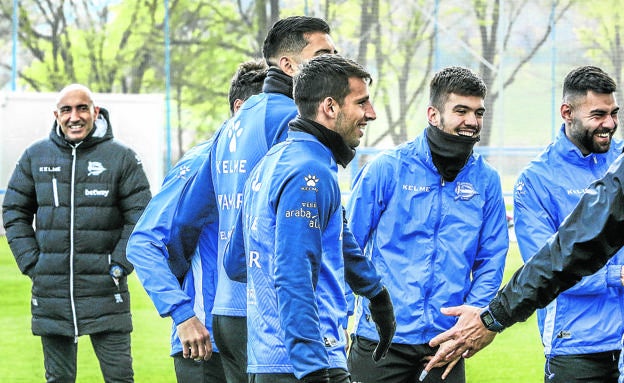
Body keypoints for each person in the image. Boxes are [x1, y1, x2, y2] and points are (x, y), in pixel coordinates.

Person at [170, 15, 339, 383]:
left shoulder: (232, 125)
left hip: (226, 312)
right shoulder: (293, 119)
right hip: (268, 311)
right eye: (323, 54)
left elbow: (186, 218)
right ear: (288, 64)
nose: (334, 63)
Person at [223, 53, 395, 383]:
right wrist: (312, 366)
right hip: (309, 365)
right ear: (330, 108)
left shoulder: (273, 162)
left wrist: (376, 295)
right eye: (362, 103)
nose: (370, 114)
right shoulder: (309, 171)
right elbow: (293, 273)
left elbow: (236, 262)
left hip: (269, 363)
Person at [344, 66, 509, 383]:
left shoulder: (486, 181)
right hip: (380, 340)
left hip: (444, 346)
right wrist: (338, 322)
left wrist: (473, 314)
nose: (472, 122)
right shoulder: (387, 169)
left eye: (478, 112)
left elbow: (492, 257)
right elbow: (345, 247)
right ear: (433, 114)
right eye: (461, 110)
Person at [423, 150, 624, 381]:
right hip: (574, 344)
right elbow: (567, 252)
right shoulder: (536, 178)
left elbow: (572, 250)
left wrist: (494, 316)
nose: (609, 123)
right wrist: (494, 315)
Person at [126, 60, 267, 383]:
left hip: (262, 346)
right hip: (207, 346)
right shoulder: (202, 161)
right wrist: (183, 315)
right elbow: (143, 243)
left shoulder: (272, 165)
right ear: (240, 108)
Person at [2, 84, 151, 383]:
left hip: (107, 291)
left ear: (95, 112)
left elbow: (141, 216)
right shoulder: (35, 156)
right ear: (56, 115)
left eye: (82, 108)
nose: (75, 117)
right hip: (52, 293)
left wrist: (120, 263)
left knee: (120, 379)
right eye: (67, 110)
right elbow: (14, 211)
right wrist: (33, 263)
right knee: (58, 380)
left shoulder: (121, 158)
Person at [512, 65, 624, 382]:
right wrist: (617, 275)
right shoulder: (537, 180)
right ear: (567, 112)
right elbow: (543, 270)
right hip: (576, 349)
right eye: (599, 115)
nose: (611, 124)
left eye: (614, 113)